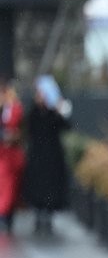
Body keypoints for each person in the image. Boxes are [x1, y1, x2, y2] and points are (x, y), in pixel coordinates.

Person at [22, 76, 70, 235]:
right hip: (37, 157)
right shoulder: (34, 113)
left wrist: (59, 110)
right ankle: (38, 213)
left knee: (50, 188)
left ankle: (48, 216)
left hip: (52, 157)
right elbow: (28, 128)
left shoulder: (53, 114)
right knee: (37, 187)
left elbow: (66, 126)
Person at [0, 82, 25, 234]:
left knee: (10, 186)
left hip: (11, 155)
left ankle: (6, 216)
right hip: (3, 153)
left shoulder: (15, 109)